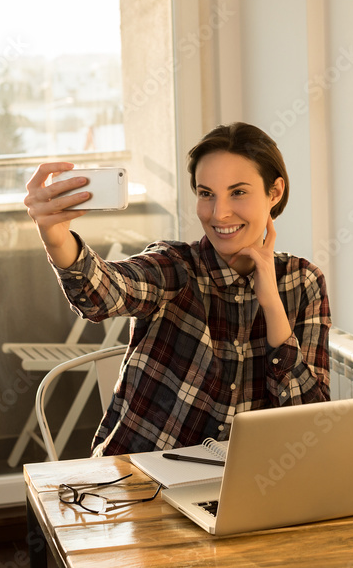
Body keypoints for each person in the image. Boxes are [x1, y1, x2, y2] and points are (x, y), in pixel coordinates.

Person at [24, 122, 331, 456]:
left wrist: (271, 304)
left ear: (275, 192)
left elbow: (310, 422)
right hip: (137, 479)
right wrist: (55, 238)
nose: (219, 212)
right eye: (206, 193)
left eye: (238, 192)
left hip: (247, 487)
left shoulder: (304, 282)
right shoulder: (175, 267)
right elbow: (103, 293)